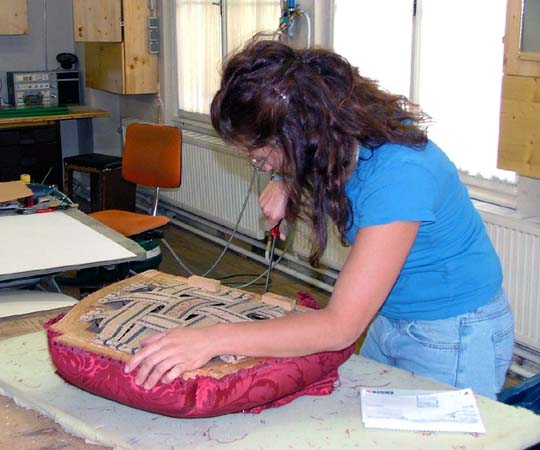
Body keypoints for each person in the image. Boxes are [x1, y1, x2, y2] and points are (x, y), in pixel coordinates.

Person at [125, 38, 514, 399]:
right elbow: (311, 150)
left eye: (260, 156)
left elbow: (340, 326)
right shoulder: (339, 133)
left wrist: (211, 339)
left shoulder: (399, 175)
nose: (259, 165)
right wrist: (284, 180)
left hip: (453, 330)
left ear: (297, 135)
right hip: (393, 315)